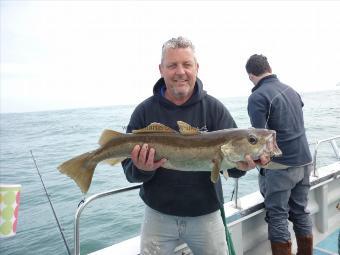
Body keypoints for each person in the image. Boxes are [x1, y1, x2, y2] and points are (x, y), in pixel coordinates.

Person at [122, 37, 269, 255]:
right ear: (161, 69)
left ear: (196, 68)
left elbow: (234, 168)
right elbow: (130, 173)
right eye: (172, 65)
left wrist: (244, 166)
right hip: (158, 215)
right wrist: (142, 168)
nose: (180, 71)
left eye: (187, 64)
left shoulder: (215, 109)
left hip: (206, 216)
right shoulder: (144, 112)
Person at [245, 54, 313, 255]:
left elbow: (259, 137)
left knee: (278, 216)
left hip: (280, 167)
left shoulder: (257, 97)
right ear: (269, 68)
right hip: (304, 162)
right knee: (300, 212)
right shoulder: (292, 91)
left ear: (250, 76)